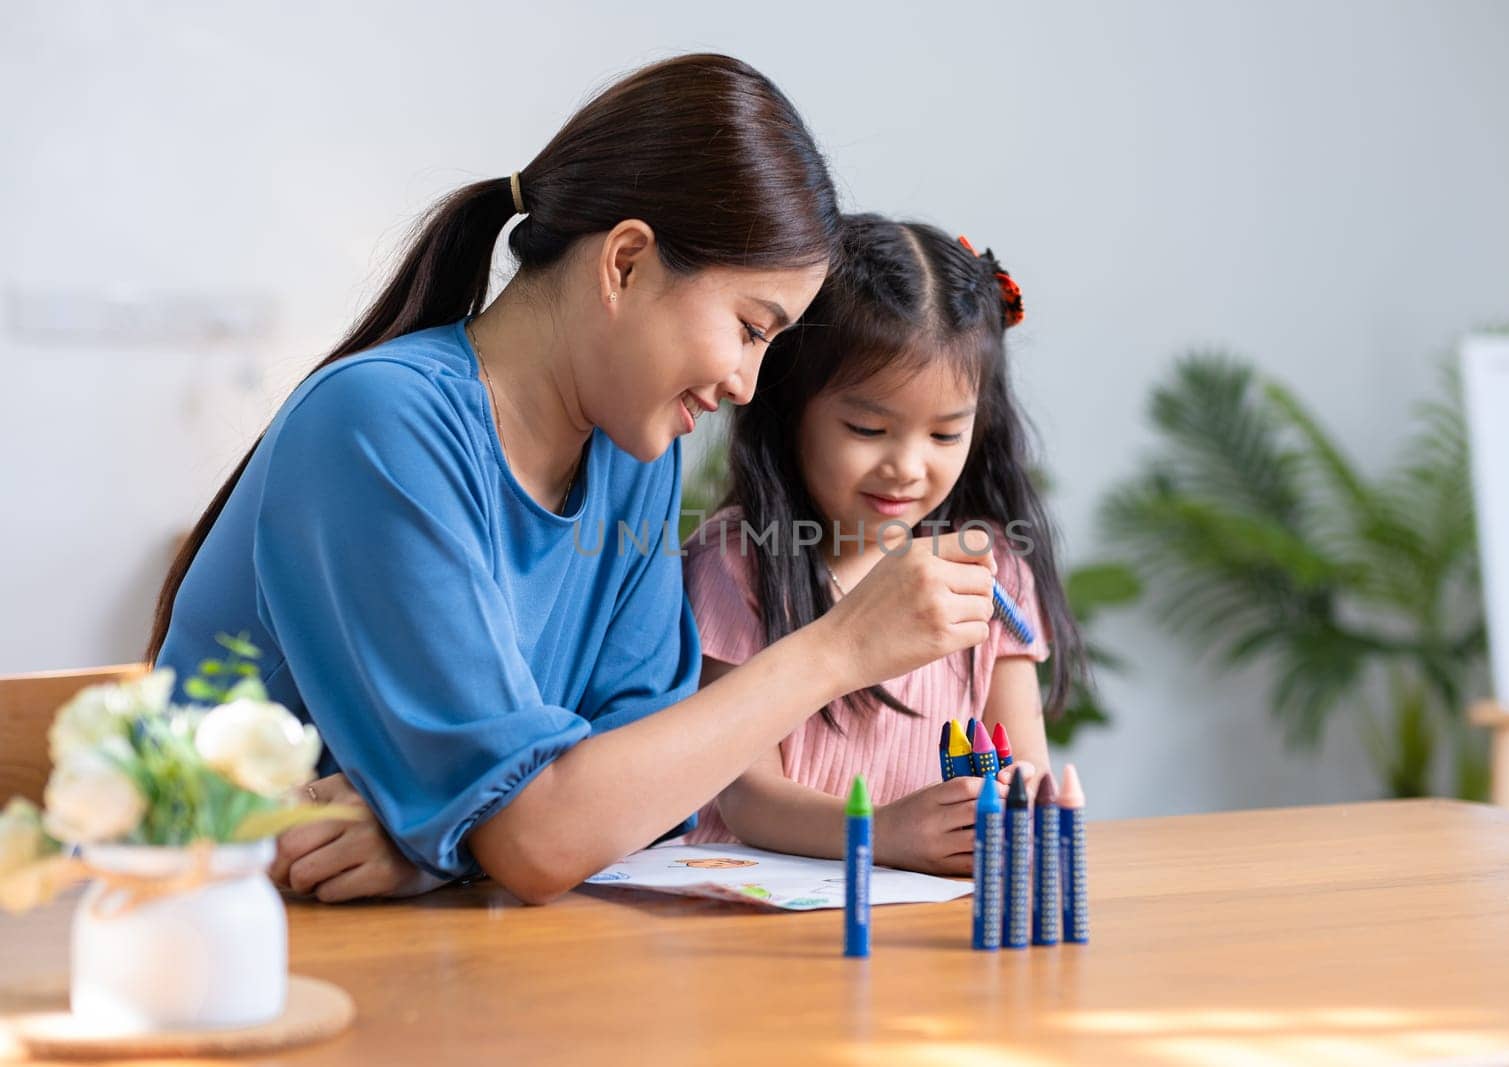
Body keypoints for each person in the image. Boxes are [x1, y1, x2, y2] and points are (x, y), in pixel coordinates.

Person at [150, 56, 998, 904]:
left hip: (423, 946)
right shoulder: (381, 424)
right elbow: (545, 832)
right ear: (625, 262)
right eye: (748, 327)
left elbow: (645, 792)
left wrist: (444, 842)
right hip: (203, 930)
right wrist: (838, 648)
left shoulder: (636, 455)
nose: (747, 383)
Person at [681, 214, 1080, 874]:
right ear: (788, 408)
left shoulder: (994, 571)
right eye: (868, 428)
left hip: (924, 927)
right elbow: (744, 794)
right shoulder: (738, 561)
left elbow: (1024, 773)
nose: (908, 465)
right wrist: (886, 832)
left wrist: (1011, 812)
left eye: (945, 435)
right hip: (755, 923)